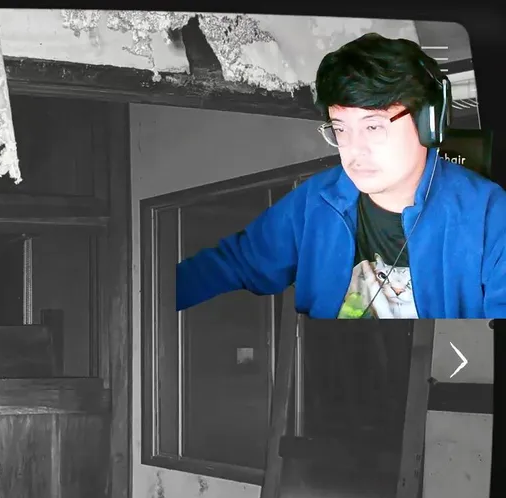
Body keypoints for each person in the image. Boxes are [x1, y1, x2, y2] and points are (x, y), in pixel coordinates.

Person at [175, 33, 506, 319]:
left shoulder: (491, 217)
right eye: (341, 129)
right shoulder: (316, 200)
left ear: (429, 123)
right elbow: (235, 263)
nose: (353, 151)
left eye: (373, 127)